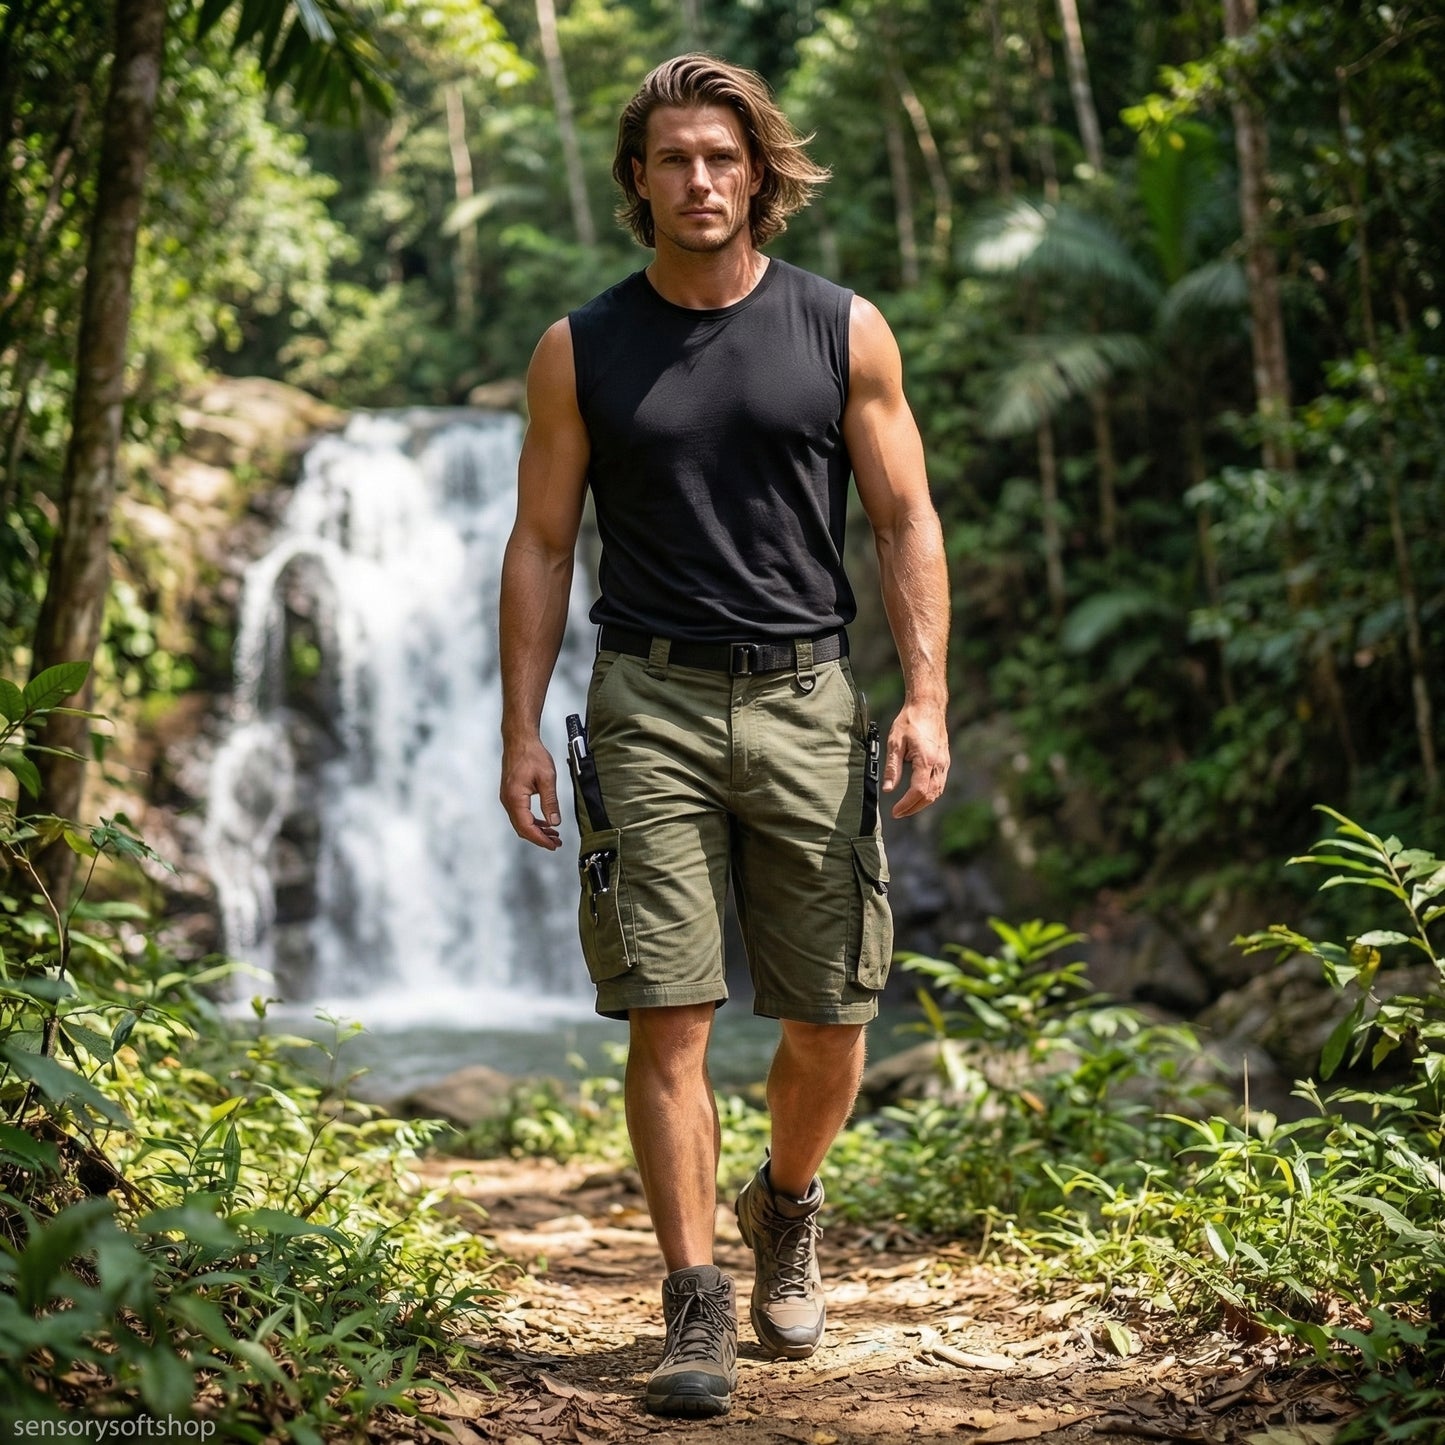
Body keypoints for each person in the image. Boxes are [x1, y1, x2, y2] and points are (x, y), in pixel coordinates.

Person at [498, 53, 950, 1419]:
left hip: (813, 696)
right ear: (637, 181)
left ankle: (785, 1200)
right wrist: (519, 724)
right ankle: (693, 1297)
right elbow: (539, 539)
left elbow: (901, 518)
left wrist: (924, 691)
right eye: (673, 159)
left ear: (759, 173)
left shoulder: (841, 329)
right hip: (647, 699)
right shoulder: (582, 347)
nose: (700, 180)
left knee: (830, 1013)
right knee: (669, 1011)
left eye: (722, 157)